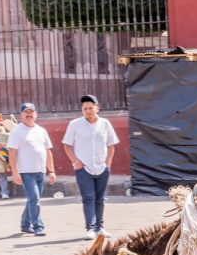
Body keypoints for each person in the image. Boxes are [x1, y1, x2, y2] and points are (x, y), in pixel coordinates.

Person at [62, 95, 119, 240]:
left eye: (90, 108)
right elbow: (67, 145)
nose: (87, 111)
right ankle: (90, 229)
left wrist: (108, 163)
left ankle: (100, 228)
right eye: (84, 109)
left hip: (102, 167)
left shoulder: (105, 124)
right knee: (88, 198)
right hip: (84, 168)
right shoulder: (75, 124)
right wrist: (75, 161)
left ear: (97, 108)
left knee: (100, 199)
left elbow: (111, 145)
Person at [7, 102, 56, 237]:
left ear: (36, 114)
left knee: (33, 199)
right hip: (26, 172)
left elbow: (48, 152)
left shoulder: (41, 131)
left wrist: (51, 170)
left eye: (31, 112)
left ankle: (25, 224)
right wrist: (15, 172)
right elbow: (12, 153)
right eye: (25, 112)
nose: (28, 114)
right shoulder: (17, 131)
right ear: (21, 115)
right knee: (34, 198)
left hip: (40, 171)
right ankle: (38, 227)